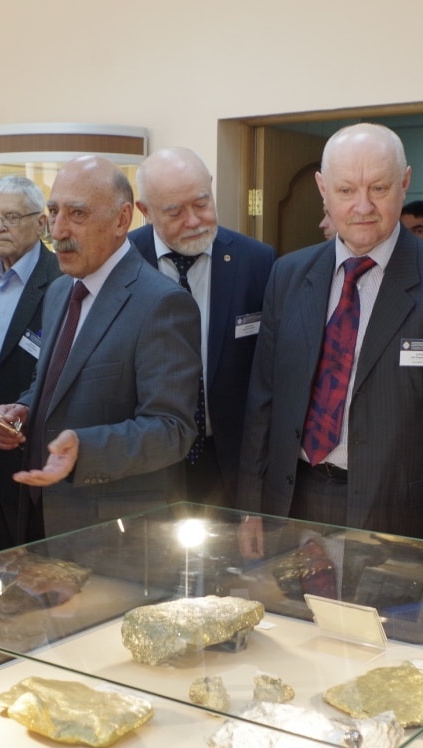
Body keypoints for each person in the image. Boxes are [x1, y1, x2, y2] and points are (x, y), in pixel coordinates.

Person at [235, 123, 423, 594]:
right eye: (346, 190)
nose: (362, 206)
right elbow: (264, 402)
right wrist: (251, 507)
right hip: (295, 503)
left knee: (381, 653)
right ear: (322, 190)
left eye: (378, 188)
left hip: (398, 515)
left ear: (404, 182)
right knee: (295, 645)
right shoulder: (288, 275)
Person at [0, 155, 201, 541]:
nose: (58, 230)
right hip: (40, 511)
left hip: (112, 533)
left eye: (77, 214)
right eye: (53, 212)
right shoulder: (59, 292)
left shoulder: (160, 303)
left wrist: (84, 449)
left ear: (122, 220)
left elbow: (173, 430)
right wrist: (24, 409)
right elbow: (52, 383)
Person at [131, 146, 276, 508]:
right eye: (175, 211)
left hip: (228, 465)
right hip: (145, 468)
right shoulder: (123, 263)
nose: (194, 220)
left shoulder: (257, 261)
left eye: (201, 202)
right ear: (145, 212)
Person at [0, 175, 62, 554]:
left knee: (36, 557)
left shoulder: (61, 278)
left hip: (36, 441)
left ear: (41, 223)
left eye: (10, 216)